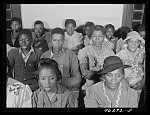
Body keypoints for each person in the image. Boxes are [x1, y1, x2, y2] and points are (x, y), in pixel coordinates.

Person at [78, 25, 115, 90]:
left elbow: (112, 70)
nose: (97, 39)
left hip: (107, 86)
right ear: (91, 37)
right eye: (94, 36)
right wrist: (102, 70)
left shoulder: (110, 53)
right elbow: (85, 74)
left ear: (104, 37)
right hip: (90, 87)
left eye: (100, 36)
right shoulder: (84, 51)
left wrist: (94, 72)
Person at [116, 31, 145, 103]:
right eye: (131, 41)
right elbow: (115, 71)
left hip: (139, 86)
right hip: (123, 86)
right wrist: (124, 82)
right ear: (126, 43)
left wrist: (142, 84)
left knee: (135, 103)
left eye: (136, 42)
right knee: (123, 103)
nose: (133, 44)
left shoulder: (143, 54)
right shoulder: (120, 55)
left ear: (139, 43)